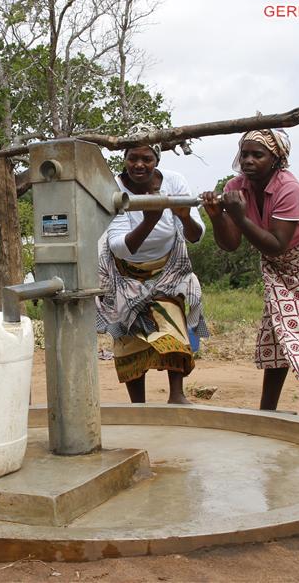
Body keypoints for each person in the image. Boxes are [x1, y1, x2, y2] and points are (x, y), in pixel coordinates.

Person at [199, 129, 299, 418]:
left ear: (277, 159)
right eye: (245, 154)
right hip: (279, 263)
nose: (249, 160)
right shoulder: (235, 187)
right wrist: (217, 216)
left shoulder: (289, 188)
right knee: (277, 330)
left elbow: (279, 244)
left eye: (258, 154)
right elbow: (230, 244)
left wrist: (240, 217)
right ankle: (267, 412)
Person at [96, 127, 209, 404]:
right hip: (125, 273)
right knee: (129, 339)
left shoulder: (174, 181)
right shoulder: (112, 188)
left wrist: (183, 217)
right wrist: (150, 219)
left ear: (156, 159)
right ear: (124, 158)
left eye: (146, 158)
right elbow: (119, 246)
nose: (139, 165)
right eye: (133, 157)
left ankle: (177, 395)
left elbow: (196, 235)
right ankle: (138, 405)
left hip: (168, 269)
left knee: (174, 329)